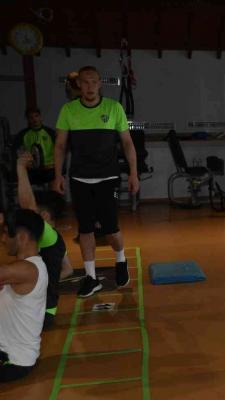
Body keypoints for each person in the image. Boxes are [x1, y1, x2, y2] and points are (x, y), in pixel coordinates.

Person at [53, 65, 139, 298]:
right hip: (79, 178)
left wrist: (133, 173)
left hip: (108, 177)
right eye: (85, 82)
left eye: (94, 82)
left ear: (100, 84)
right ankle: (91, 278)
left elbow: (127, 143)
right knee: (85, 228)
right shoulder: (68, 110)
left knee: (110, 228)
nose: (89, 86)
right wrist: (58, 174)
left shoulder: (114, 108)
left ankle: (120, 260)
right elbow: (60, 145)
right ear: (78, 85)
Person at [16, 152, 71, 329]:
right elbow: (68, 269)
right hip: (46, 312)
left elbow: (28, 208)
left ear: (45, 216)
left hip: (38, 314)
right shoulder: (55, 239)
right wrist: (44, 281)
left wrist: (20, 168)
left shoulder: (47, 236)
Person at [0, 209, 49, 382]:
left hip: (12, 361)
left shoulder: (28, 269)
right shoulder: (24, 267)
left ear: (21, 237)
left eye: (6, 233)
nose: (3, 239)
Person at [12, 107, 57, 186]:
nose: (34, 119)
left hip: (50, 170)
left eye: (36, 116)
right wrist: (26, 163)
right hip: (32, 172)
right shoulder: (22, 135)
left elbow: (60, 150)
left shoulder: (50, 133)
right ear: (28, 120)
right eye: (31, 117)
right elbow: (17, 152)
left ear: (40, 117)